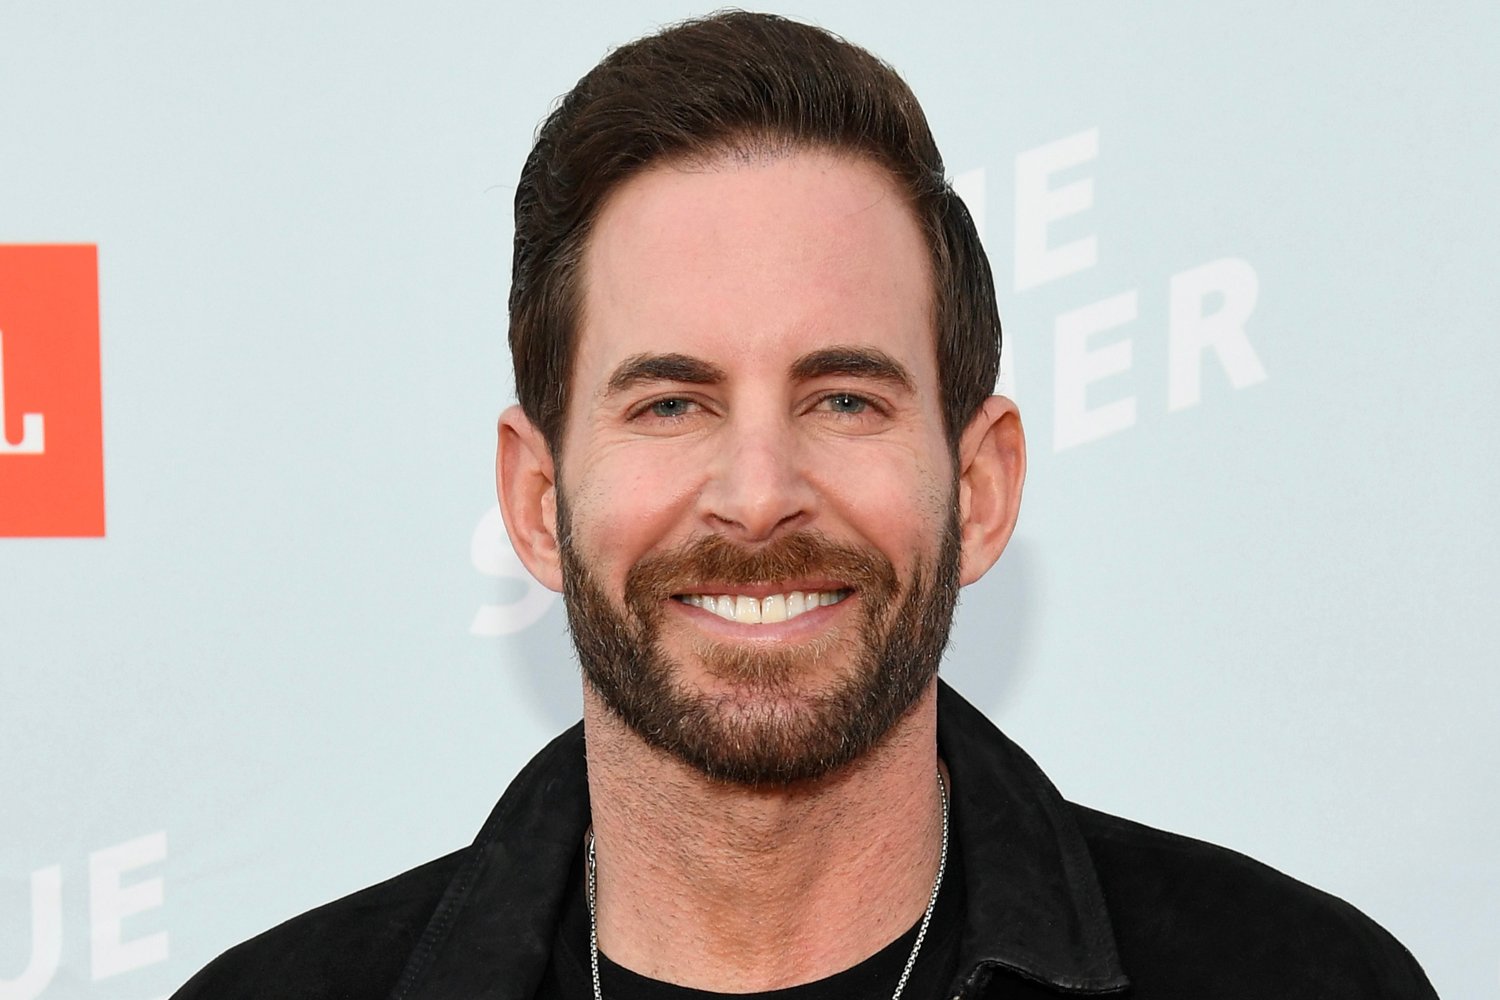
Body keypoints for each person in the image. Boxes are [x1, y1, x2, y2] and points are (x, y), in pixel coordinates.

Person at [174, 12, 1436, 999]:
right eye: (672, 403)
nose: (760, 496)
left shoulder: (1298, 981)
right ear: (536, 494)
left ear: (982, 485)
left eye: (844, 399)